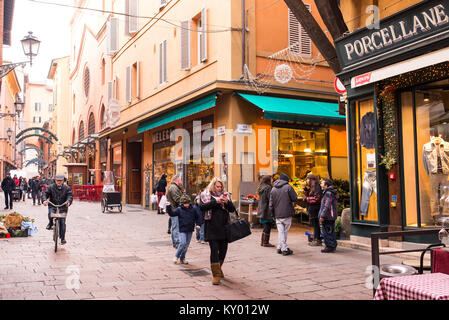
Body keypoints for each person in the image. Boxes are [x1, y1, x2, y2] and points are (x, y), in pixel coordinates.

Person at [200, 177, 236, 285]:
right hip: (212, 227)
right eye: (217, 186)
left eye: (221, 186)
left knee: (223, 250)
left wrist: (227, 202)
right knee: (214, 250)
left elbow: (232, 209)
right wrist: (216, 202)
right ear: (213, 186)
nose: (219, 189)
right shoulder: (206, 195)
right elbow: (202, 207)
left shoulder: (225, 195)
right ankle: (216, 275)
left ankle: (219, 268)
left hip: (224, 227)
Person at [166, 194, 203, 265]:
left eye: (187, 203)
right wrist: (168, 206)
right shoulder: (179, 209)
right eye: (185, 203)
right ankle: (176, 256)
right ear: (182, 203)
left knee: (186, 245)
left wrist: (198, 224)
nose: (186, 205)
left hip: (190, 229)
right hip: (183, 229)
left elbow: (198, 217)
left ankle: (182, 258)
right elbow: (172, 214)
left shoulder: (193, 209)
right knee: (182, 243)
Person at [269, 173, 298, 256]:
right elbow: (294, 198)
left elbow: (270, 204)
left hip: (277, 214)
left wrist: (272, 213)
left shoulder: (273, 189)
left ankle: (279, 247)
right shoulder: (288, 187)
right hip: (287, 213)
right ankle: (284, 249)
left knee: (281, 231)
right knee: (284, 232)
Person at [43, 174, 73, 245]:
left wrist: (68, 202)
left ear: (63, 181)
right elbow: (45, 194)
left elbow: (70, 196)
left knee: (62, 222)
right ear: (55, 181)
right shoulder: (50, 187)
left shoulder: (67, 188)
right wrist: (44, 200)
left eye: (60, 181)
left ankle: (62, 238)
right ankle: (50, 223)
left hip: (63, 206)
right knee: (51, 214)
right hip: (53, 205)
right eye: (57, 180)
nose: (59, 182)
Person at [319, 178, 338, 253]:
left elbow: (327, 206)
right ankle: (331, 245)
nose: (321, 184)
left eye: (322, 183)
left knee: (327, 231)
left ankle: (330, 246)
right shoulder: (329, 192)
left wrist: (322, 216)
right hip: (330, 216)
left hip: (328, 216)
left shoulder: (328, 193)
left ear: (326, 185)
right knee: (330, 231)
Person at [166, 174, 184, 248]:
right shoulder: (174, 188)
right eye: (180, 180)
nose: (181, 181)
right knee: (175, 227)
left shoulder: (175, 187)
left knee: (175, 227)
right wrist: (184, 201)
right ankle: (176, 243)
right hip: (175, 210)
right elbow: (177, 199)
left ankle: (175, 243)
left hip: (174, 209)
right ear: (178, 180)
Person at [304, 174, 323, 246]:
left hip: (315, 208)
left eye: (308, 179)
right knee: (315, 225)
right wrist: (305, 189)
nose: (307, 181)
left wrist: (307, 199)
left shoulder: (317, 187)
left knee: (316, 225)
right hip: (312, 208)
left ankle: (317, 240)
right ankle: (316, 239)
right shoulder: (312, 187)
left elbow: (316, 199)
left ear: (312, 180)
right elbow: (309, 195)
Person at [257, 175, 275, 247]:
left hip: (262, 209)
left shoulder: (262, 187)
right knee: (268, 225)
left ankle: (263, 242)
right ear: (268, 180)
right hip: (267, 210)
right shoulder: (268, 187)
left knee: (266, 226)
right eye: (271, 179)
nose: (272, 180)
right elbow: (270, 199)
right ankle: (265, 242)